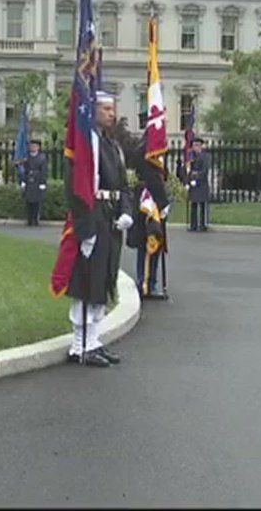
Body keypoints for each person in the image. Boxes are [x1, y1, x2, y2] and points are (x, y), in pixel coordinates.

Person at [65, 92, 132, 368]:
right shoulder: (86, 146)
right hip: (94, 218)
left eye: (112, 109)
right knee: (86, 283)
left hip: (111, 219)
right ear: (91, 112)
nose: (111, 114)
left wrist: (127, 211)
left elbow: (124, 185)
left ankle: (93, 341)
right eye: (105, 109)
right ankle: (78, 346)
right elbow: (76, 188)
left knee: (103, 281)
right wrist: (85, 228)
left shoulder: (112, 146)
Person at [120, 120, 172, 301]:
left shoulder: (154, 153)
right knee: (150, 242)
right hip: (149, 203)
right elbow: (153, 180)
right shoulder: (147, 152)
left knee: (151, 245)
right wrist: (164, 202)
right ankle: (147, 283)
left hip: (152, 202)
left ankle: (148, 281)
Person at [20, 138, 48, 227]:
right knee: (28, 201)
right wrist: (23, 181)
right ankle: (29, 219)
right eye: (32, 146)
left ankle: (35, 219)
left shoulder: (42, 158)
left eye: (35, 146)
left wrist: (42, 183)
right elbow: (24, 170)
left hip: (37, 181)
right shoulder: (26, 157)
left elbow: (44, 171)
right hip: (28, 181)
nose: (33, 148)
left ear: (38, 147)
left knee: (36, 202)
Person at [186, 137, 211, 232]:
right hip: (193, 183)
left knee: (202, 204)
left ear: (201, 146)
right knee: (193, 204)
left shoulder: (205, 157)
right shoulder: (191, 157)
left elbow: (204, 171)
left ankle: (203, 225)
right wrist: (188, 181)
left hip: (201, 183)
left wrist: (196, 179)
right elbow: (188, 170)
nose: (195, 147)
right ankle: (193, 225)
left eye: (197, 145)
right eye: (194, 145)